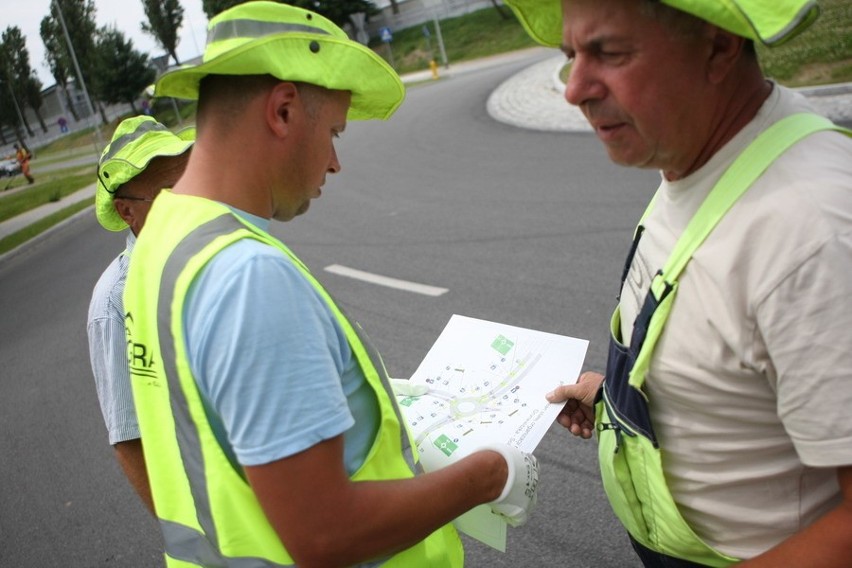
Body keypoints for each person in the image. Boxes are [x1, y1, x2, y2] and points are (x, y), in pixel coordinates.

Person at [123, 3, 540, 566]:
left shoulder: (162, 240)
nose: (336, 163)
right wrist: (489, 474)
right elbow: (325, 535)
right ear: (285, 110)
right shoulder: (248, 278)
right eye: (334, 132)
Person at [504, 0, 852, 566]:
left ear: (717, 46)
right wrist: (617, 398)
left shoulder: (814, 230)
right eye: (571, 56)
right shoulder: (700, 154)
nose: (574, 89)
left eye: (609, 53)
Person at [86, 116, 192, 515]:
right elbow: (130, 439)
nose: (186, 203)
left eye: (188, 185)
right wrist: (186, 533)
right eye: (168, 195)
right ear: (126, 211)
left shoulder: (205, 257)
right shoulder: (114, 302)